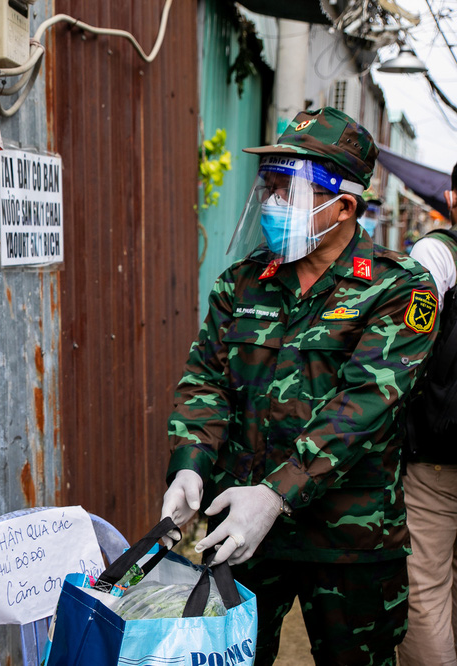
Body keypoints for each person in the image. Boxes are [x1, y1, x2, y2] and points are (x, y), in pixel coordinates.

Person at [159, 107, 438, 665]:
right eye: (272, 184)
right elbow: (205, 379)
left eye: (292, 188)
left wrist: (275, 494)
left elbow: (362, 407)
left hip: (349, 542)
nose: (274, 201)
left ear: (343, 207)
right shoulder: (241, 281)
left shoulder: (400, 287)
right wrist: (190, 461)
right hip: (239, 534)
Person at [398, 162, 457, 666]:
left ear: (452, 200)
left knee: (427, 589)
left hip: (438, 457)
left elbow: (405, 340)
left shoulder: (437, 251)